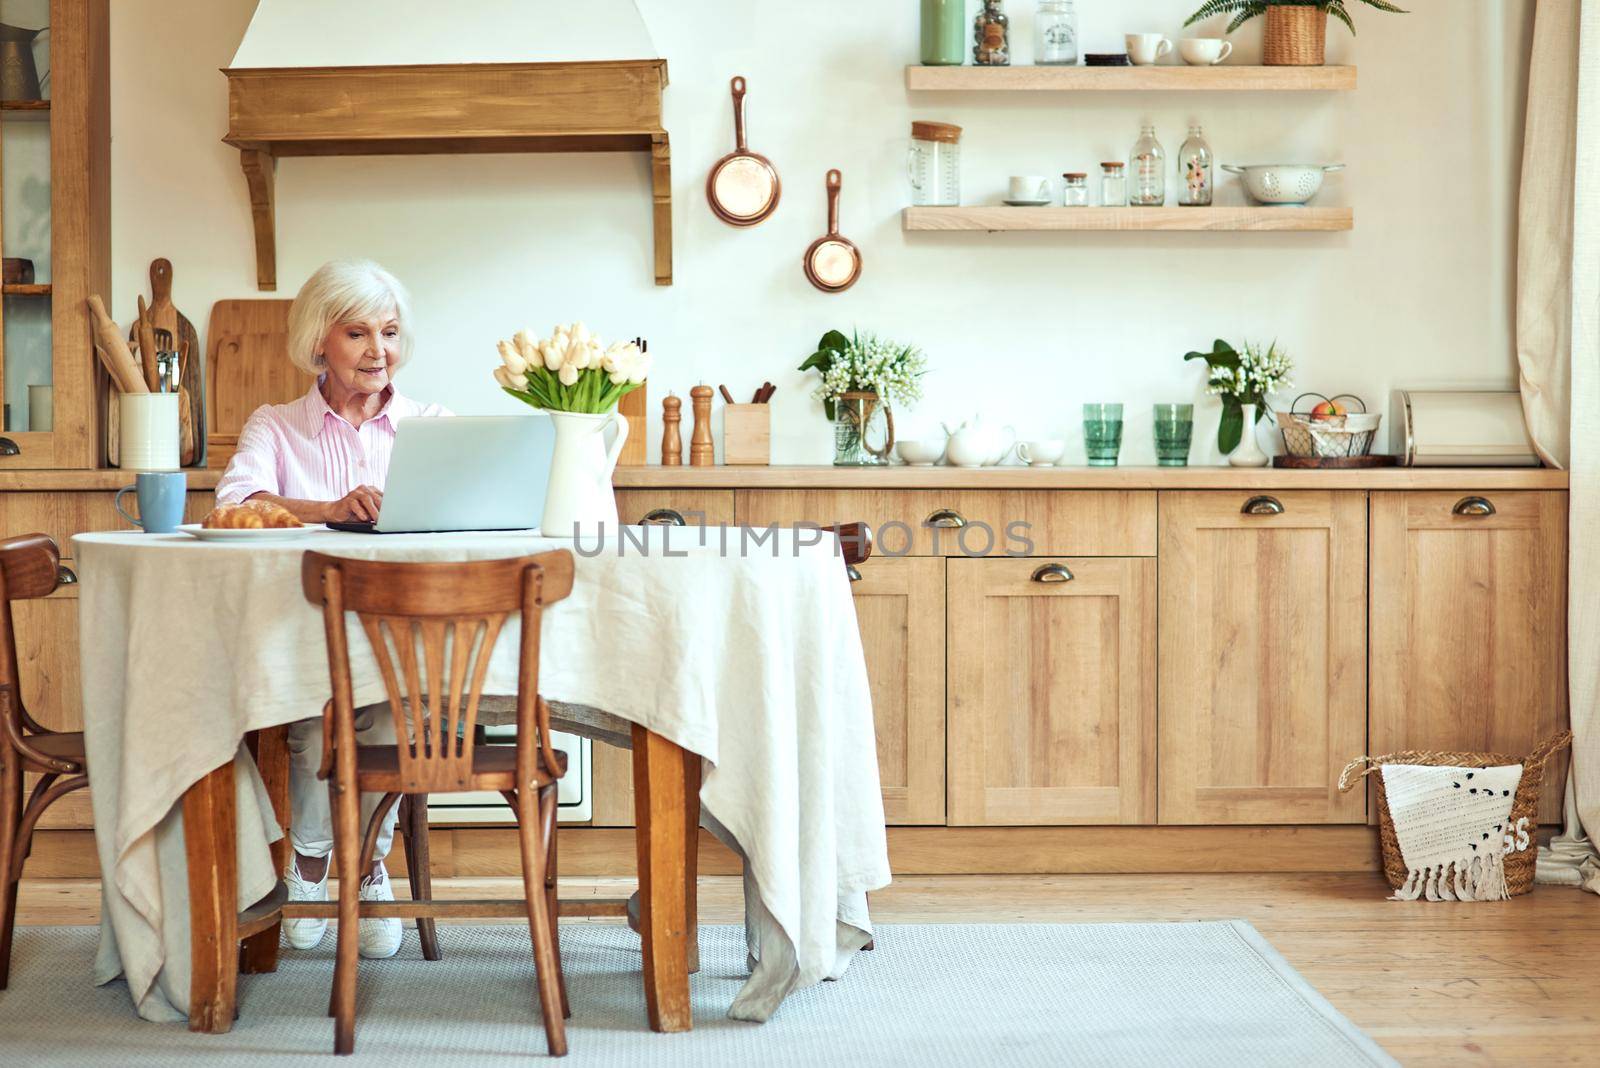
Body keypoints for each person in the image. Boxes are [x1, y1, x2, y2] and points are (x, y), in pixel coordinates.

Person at [216, 259, 449, 959]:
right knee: (324, 718)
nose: (380, 351)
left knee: (388, 712)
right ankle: (315, 865)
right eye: (358, 333)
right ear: (320, 341)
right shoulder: (277, 425)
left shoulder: (430, 426)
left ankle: (368, 866)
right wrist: (329, 511)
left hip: (400, 642)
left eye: (390, 332)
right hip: (300, 642)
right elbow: (235, 503)